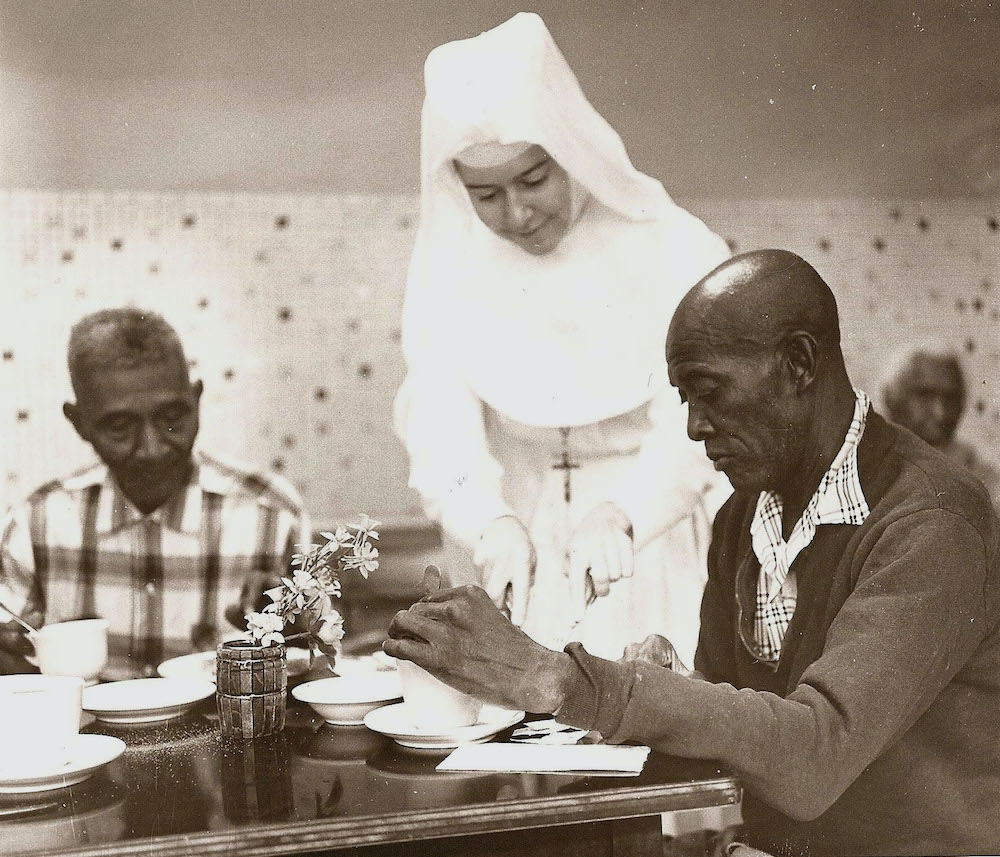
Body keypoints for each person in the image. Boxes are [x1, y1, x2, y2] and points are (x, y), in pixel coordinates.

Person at [386, 250, 1000, 857]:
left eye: (708, 392)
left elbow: (816, 751)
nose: (694, 426)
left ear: (799, 363)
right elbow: (745, 718)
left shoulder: (931, 524)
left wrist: (561, 681)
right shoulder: (744, 515)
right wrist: (673, 683)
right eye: (684, 399)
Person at [393, 12, 730, 662]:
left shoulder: (674, 244)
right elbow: (439, 429)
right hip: (525, 558)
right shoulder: (449, 267)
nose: (516, 214)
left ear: (571, 147)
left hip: (655, 548)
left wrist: (626, 511)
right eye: (486, 193)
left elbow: (700, 420)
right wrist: (488, 524)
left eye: (534, 178)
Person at [0, 308, 310, 678]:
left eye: (172, 417)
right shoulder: (36, 522)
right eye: (119, 426)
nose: (151, 447)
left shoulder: (271, 514)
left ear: (196, 400)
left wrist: (299, 634)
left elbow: (316, 666)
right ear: (79, 422)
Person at [882, 340, 1000, 510]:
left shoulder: (984, 481)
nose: (940, 412)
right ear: (891, 397)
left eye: (950, 397)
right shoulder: (862, 467)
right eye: (925, 395)